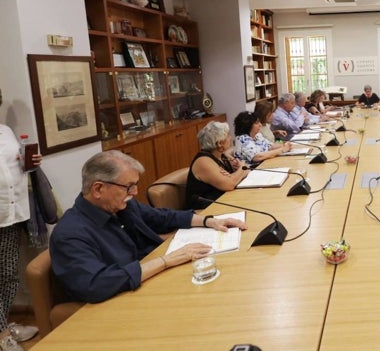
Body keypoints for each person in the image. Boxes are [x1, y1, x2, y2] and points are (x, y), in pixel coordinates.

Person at [49, 151, 248, 304]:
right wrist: (165, 261)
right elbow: (96, 284)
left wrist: (209, 221)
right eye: (128, 186)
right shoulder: (70, 234)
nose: (135, 192)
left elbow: (161, 217)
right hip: (124, 301)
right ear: (98, 189)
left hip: (155, 280)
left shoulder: (122, 206)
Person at [0, 90, 41, 350]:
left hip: (11, 214)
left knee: (8, 274)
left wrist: (31, 162)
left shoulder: (5, 131)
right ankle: (3, 335)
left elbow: (13, 167)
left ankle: (3, 324)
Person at [185, 121, 248, 209]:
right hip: (204, 211)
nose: (230, 138)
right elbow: (229, 184)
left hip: (224, 201)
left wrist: (237, 174)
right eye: (228, 135)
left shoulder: (222, 155)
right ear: (219, 143)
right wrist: (241, 169)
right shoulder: (203, 161)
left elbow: (246, 171)